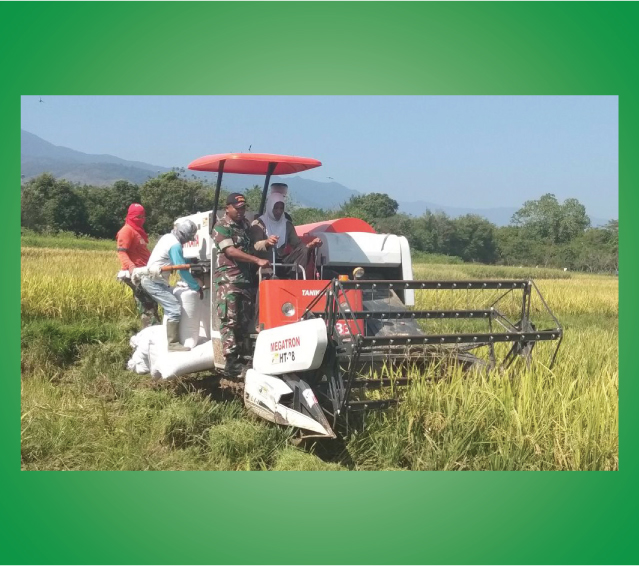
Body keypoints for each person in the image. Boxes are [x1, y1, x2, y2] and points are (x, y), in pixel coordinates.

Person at [213, 193, 270, 376]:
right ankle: (231, 362)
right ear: (227, 208)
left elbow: (253, 246)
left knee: (244, 322)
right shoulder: (221, 227)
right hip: (229, 280)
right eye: (237, 208)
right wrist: (256, 260)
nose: (240, 211)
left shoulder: (245, 225)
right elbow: (230, 251)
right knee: (230, 320)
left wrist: (266, 244)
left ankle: (244, 359)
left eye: (243, 208)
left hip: (246, 280)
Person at [139, 220, 203, 352]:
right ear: (184, 235)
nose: (187, 242)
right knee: (173, 308)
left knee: (171, 307)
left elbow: (178, 260)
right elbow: (182, 270)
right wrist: (196, 287)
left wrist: (190, 261)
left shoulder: (168, 238)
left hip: (154, 279)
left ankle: (170, 338)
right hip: (153, 281)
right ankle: (173, 344)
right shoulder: (175, 245)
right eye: (188, 238)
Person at [250, 184, 322, 278]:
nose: (279, 211)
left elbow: (298, 245)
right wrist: (267, 242)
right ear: (269, 207)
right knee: (270, 259)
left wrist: (311, 245)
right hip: (264, 262)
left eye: (281, 208)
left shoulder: (287, 224)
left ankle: (296, 280)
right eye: (275, 208)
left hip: (282, 261)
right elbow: (256, 245)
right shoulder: (259, 223)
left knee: (304, 249)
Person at [116, 203, 160, 328]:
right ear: (130, 216)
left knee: (151, 302)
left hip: (144, 272)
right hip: (136, 274)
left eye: (143, 216)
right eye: (138, 216)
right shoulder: (126, 231)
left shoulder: (137, 231)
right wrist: (132, 268)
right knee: (147, 304)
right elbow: (122, 252)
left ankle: (152, 329)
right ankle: (151, 331)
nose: (141, 219)